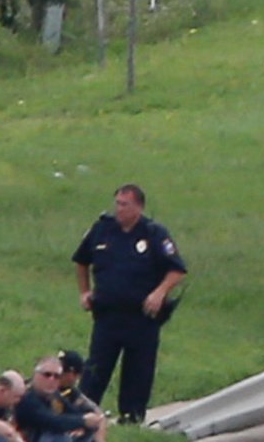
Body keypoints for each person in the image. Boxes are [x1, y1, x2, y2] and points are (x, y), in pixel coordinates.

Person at [72, 182, 189, 425]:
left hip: (141, 317)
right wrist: (84, 292)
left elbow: (177, 270)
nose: (119, 209)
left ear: (139, 207)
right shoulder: (103, 230)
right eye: (117, 203)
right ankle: (83, 415)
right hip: (107, 315)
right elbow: (81, 261)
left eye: (125, 204)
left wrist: (159, 293)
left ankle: (131, 418)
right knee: (96, 369)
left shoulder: (153, 233)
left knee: (138, 373)